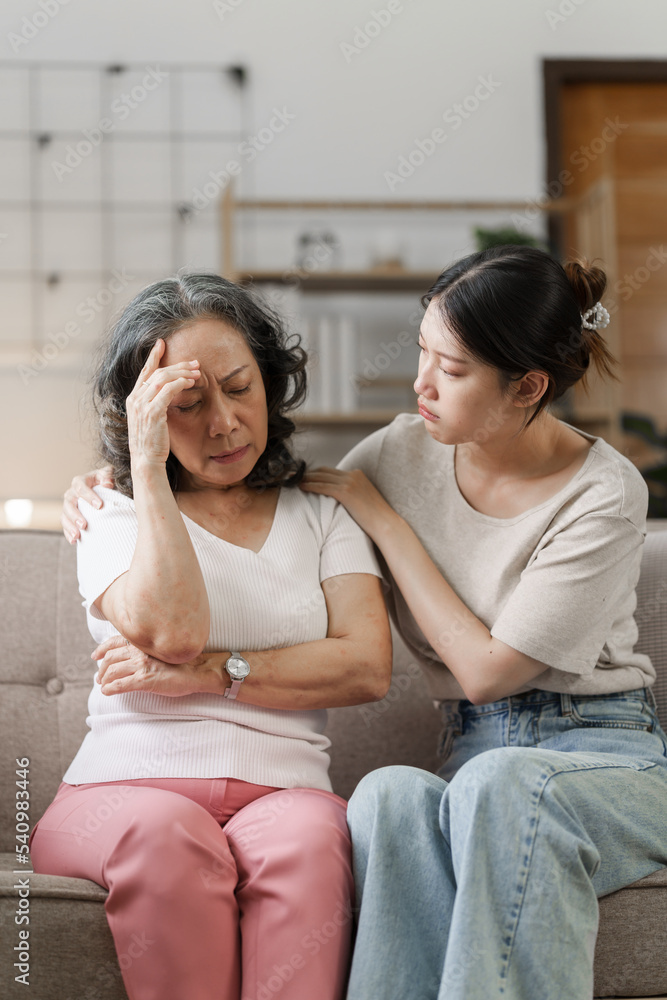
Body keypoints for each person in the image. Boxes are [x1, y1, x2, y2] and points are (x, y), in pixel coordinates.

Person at [61, 246, 667, 1000]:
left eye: (450, 370)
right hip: (472, 754)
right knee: (383, 796)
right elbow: (265, 485)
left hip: (601, 750)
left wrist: (380, 516)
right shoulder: (398, 449)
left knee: (505, 786)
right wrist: (118, 471)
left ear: (527, 388)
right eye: (422, 352)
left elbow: (482, 672)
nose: (419, 384)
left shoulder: (602, 492)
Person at [33, 272, 392, 1000]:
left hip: (284, 790)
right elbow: (171, 628)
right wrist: (146, 468)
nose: (224, 424)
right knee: (169, 835)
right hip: (122, 793)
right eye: (186, 406)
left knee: (310, 842)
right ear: (145, 416)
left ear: (271, 381)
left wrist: (209, 673)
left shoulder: (321, 516)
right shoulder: (109, 511)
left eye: (239, 388)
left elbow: (363, 666)